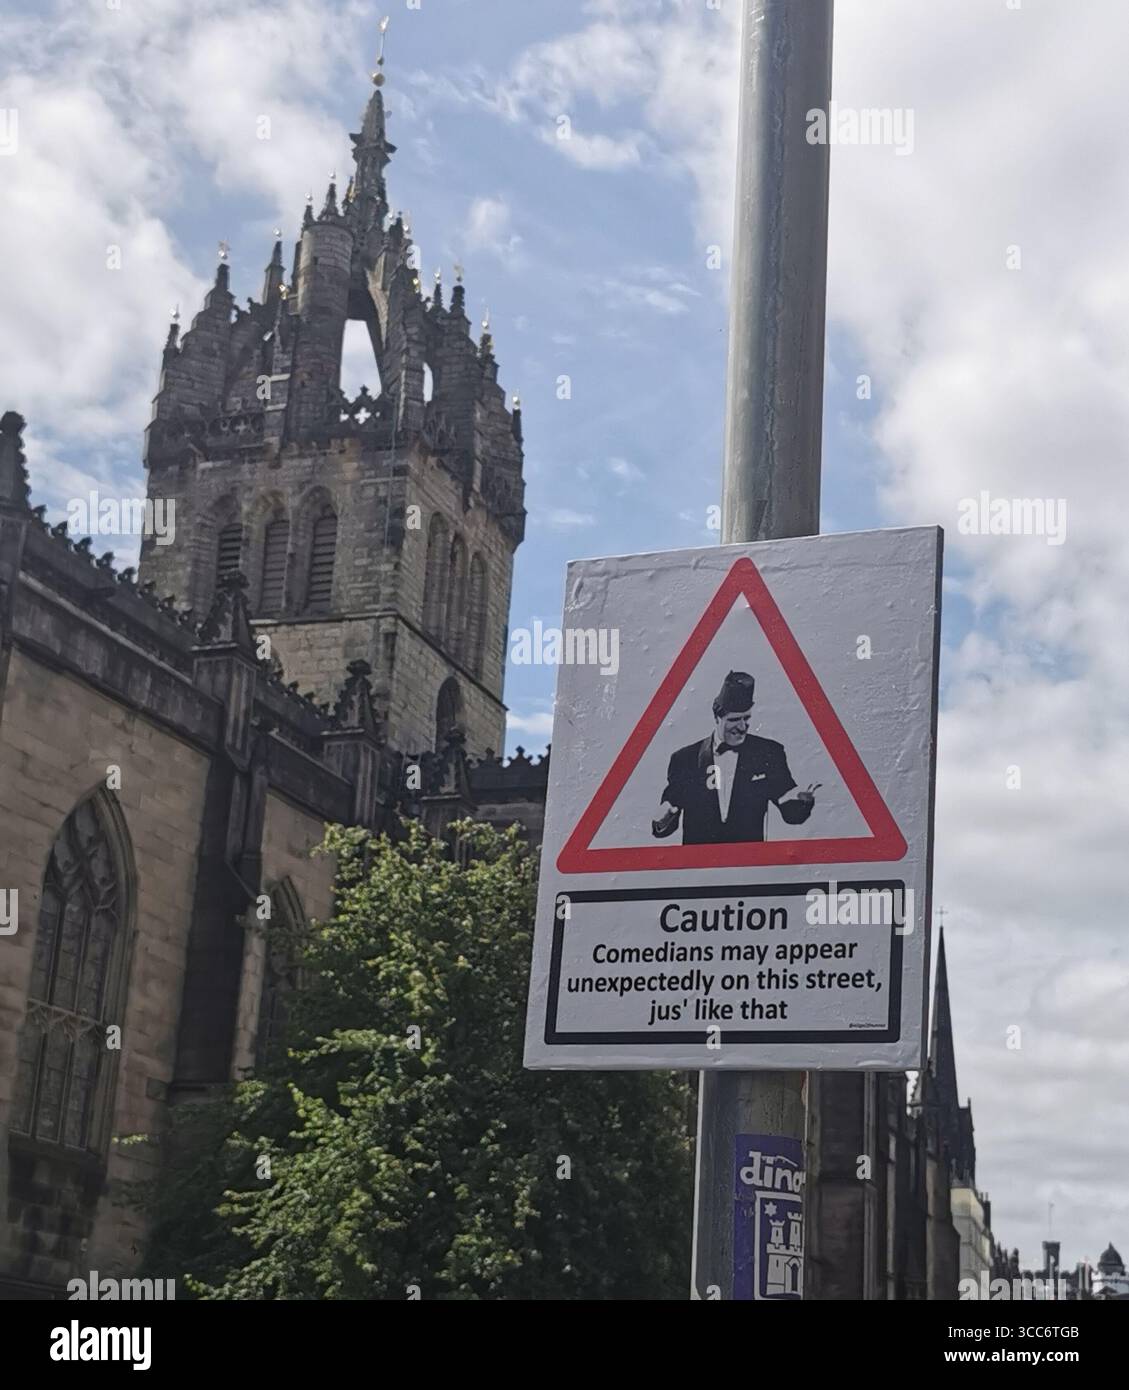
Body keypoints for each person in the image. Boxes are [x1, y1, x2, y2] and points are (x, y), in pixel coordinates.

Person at [651, 670, 818, 845]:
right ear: (717, 717)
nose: (742, 727)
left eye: (746, 718)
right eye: (734, 719)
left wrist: (803, 802)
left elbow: (791, 813)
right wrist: (663, 820)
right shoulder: (685, 759)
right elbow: (666, 822)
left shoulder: (769, 752)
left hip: (750, 865)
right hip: (698, 868)